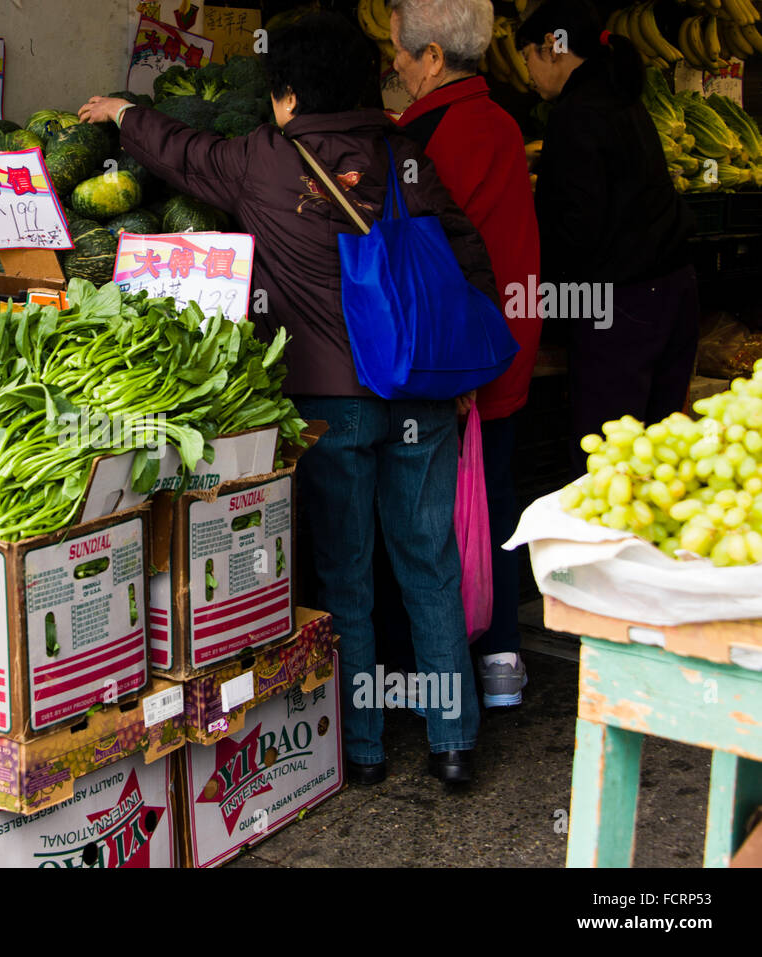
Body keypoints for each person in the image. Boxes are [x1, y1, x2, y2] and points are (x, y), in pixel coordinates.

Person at [78, 10, 494, 786]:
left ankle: (363, 748)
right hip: (421, 396)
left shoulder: (266, 160)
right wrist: (460, 375)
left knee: (346, 576)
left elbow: (183, 153)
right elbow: (467, 262)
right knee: (430, 565)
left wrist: (123, 113)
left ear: (287, 97)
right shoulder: (407, 155)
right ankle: (453, 743)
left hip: (328, 405)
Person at [384, 0, 542, 708]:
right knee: (497, 498)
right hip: (509, 340)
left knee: (436, 517)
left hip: (460, 356)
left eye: (401, 52)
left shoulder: (428, 135)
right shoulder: (505, 122)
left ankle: (442, 686)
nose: (394, 63)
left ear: (435, 57)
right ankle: (503, 663)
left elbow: (433, 259)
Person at [515, 0, 697, 476]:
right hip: (672, 292)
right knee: (659, 457)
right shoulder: (620, 96)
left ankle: (608, 548)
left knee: (609, 460)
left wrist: (542, 301)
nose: (529, 74)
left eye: (529, 58)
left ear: (552, 47)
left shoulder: (576, 114)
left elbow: (577, 230)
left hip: (622, 305)